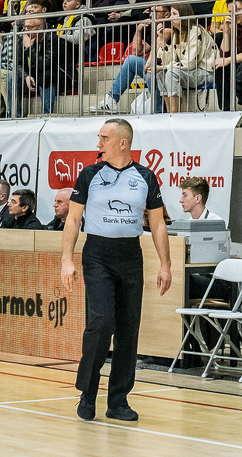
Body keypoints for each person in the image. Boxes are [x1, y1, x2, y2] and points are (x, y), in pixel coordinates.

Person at [60, 118, 171, 423]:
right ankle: (88, 392)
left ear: (123, 143)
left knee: (127, 329)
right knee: (101, 323)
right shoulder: (89, 175)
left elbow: (157, 224)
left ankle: (118, 400)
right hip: (97, 255)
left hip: (131, 256)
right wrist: (67, 259)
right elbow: (73, 220)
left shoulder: (146, 177)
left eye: (104, 138)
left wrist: (166, 265)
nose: (99, 143)